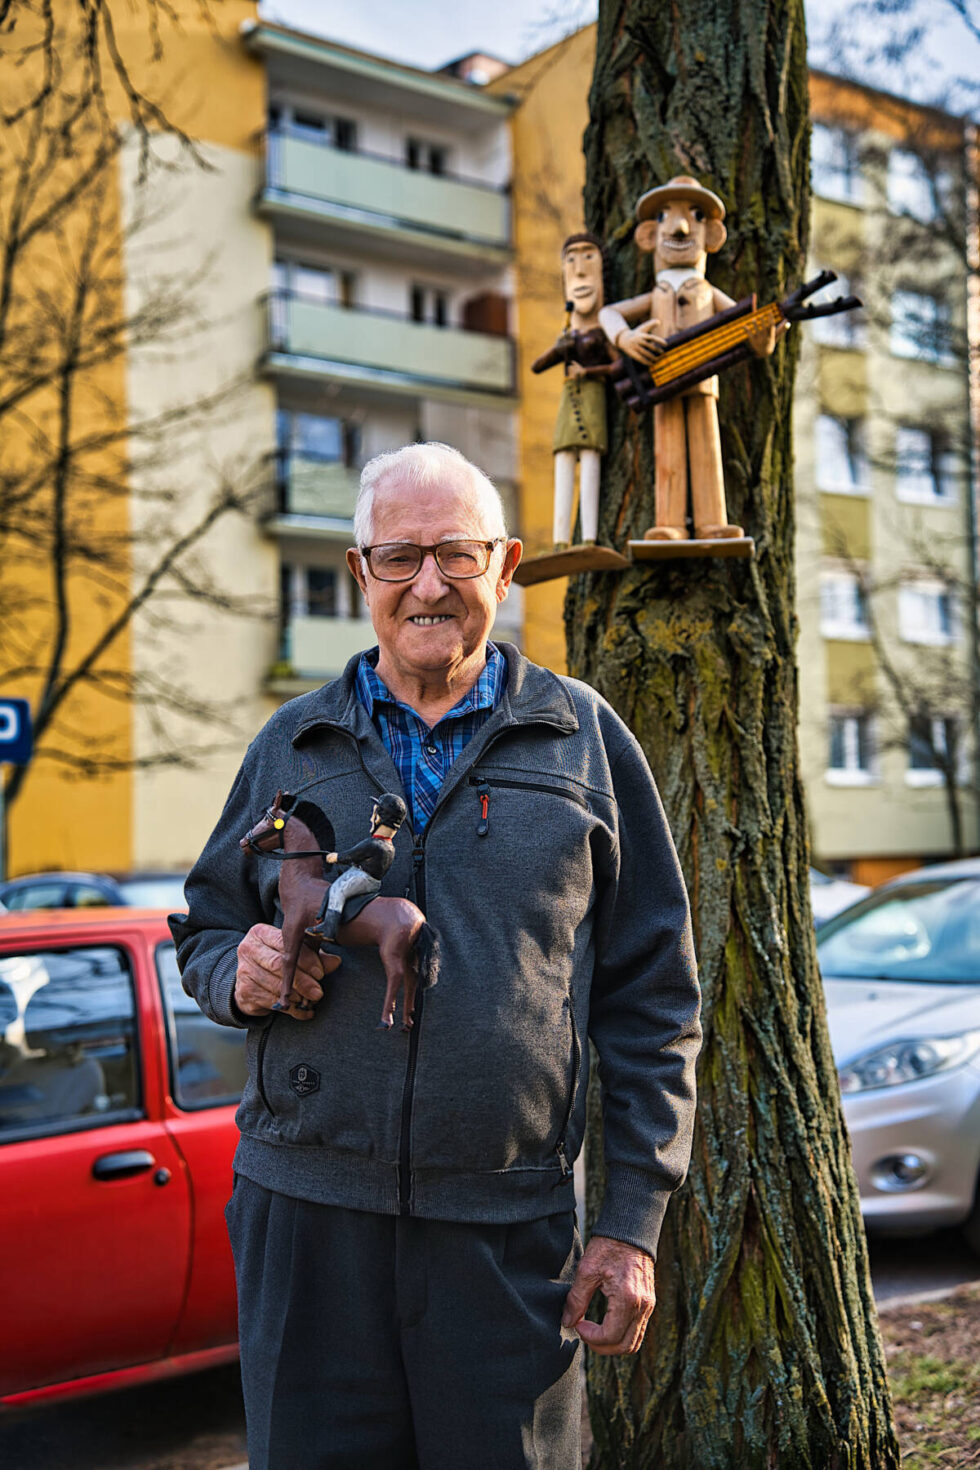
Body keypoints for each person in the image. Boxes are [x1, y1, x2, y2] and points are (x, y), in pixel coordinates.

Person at [171, 442, 701, 1470]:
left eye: (454, 556)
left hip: (509, 1232)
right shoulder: (293, 743)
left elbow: (653, 999)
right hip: (306, 1223)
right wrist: (236, 974)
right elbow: (201, 929)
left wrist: (630, 1223)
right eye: (400, 556)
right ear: (358, 571)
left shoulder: (581, 741)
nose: (428, 585)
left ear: (503, 567)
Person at [598, 174, 777, 542]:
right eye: (667, 216)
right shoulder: (657, 291)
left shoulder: (707, 291)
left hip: (702, 378)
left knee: (706, 450)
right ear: (648, 234)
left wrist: (765, 337)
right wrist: (625, 337)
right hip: (661, 379)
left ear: (712, 233)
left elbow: (751, 328)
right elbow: (609, 313)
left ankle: (714, 521)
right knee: (668, 453)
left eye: (693, 215)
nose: (680, 227)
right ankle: (670, 523)